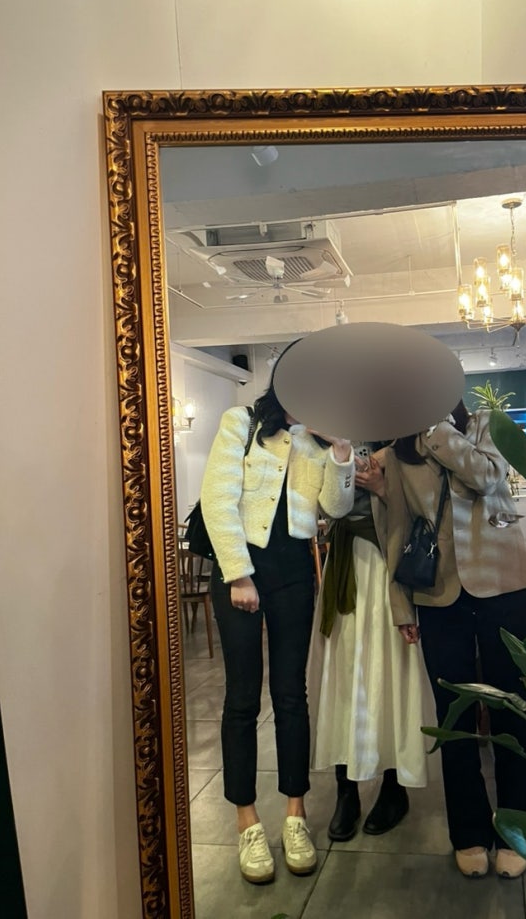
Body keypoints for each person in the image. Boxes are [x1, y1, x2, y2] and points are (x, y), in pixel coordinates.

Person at [356, 400, 526, 880]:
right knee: (454, 716)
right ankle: (469, 831)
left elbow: (487, 478)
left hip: (503, 585)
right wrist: (402, 606)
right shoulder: (397, 453)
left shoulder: (485, 425)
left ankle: (517, 829)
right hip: (439, 595)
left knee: (514, 709)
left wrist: (436, 430)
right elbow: (396, 528)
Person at [200, 353, 355, 885]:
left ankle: (295, 814)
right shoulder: (241, 423)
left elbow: (335, 508)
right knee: (242, 696)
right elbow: (217, 500)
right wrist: (239, 575)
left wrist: (340, 451)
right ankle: (246, 819)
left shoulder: (320, 439)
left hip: (293, 572)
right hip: (239, 569)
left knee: (291, 694)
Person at [308, 441, 431, 843]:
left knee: (391, 671)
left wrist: (383, 487)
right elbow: (327, 507)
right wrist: (340, 458)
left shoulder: (408, 438)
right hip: (346, 563)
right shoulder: (330, 436)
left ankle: (394, 786)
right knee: (344, 673)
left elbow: (427, 506)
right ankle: (346, 788)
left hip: (390, 563)